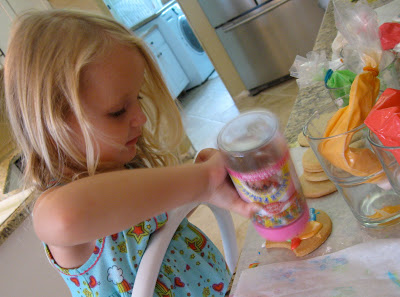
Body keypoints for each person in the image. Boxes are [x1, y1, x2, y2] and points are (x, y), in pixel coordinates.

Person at [4, 9, 259, 297]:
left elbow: (152, 232)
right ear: (53, 125)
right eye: (117, 111)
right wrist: (203, 179)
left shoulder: (126, 170)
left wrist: (199, 191)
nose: (140, 118)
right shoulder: (59, 208)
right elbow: (64, 217)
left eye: (136, 99)